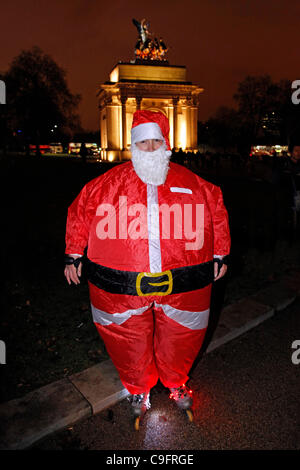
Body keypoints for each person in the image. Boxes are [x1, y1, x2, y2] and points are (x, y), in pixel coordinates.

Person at [64, 110, 231, 428]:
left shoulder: (194, 183)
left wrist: (220, 253)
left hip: (185, 284)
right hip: (120, 288)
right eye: (143, 141)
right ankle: (138, 389)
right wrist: (73, 253)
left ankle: (175, 380)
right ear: (132, 145)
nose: (150, 147)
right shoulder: (105, 184)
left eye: (156, 140)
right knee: (127, 340)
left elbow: (217, 211)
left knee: (182, 337)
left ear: (166, 143)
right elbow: (79, 211)